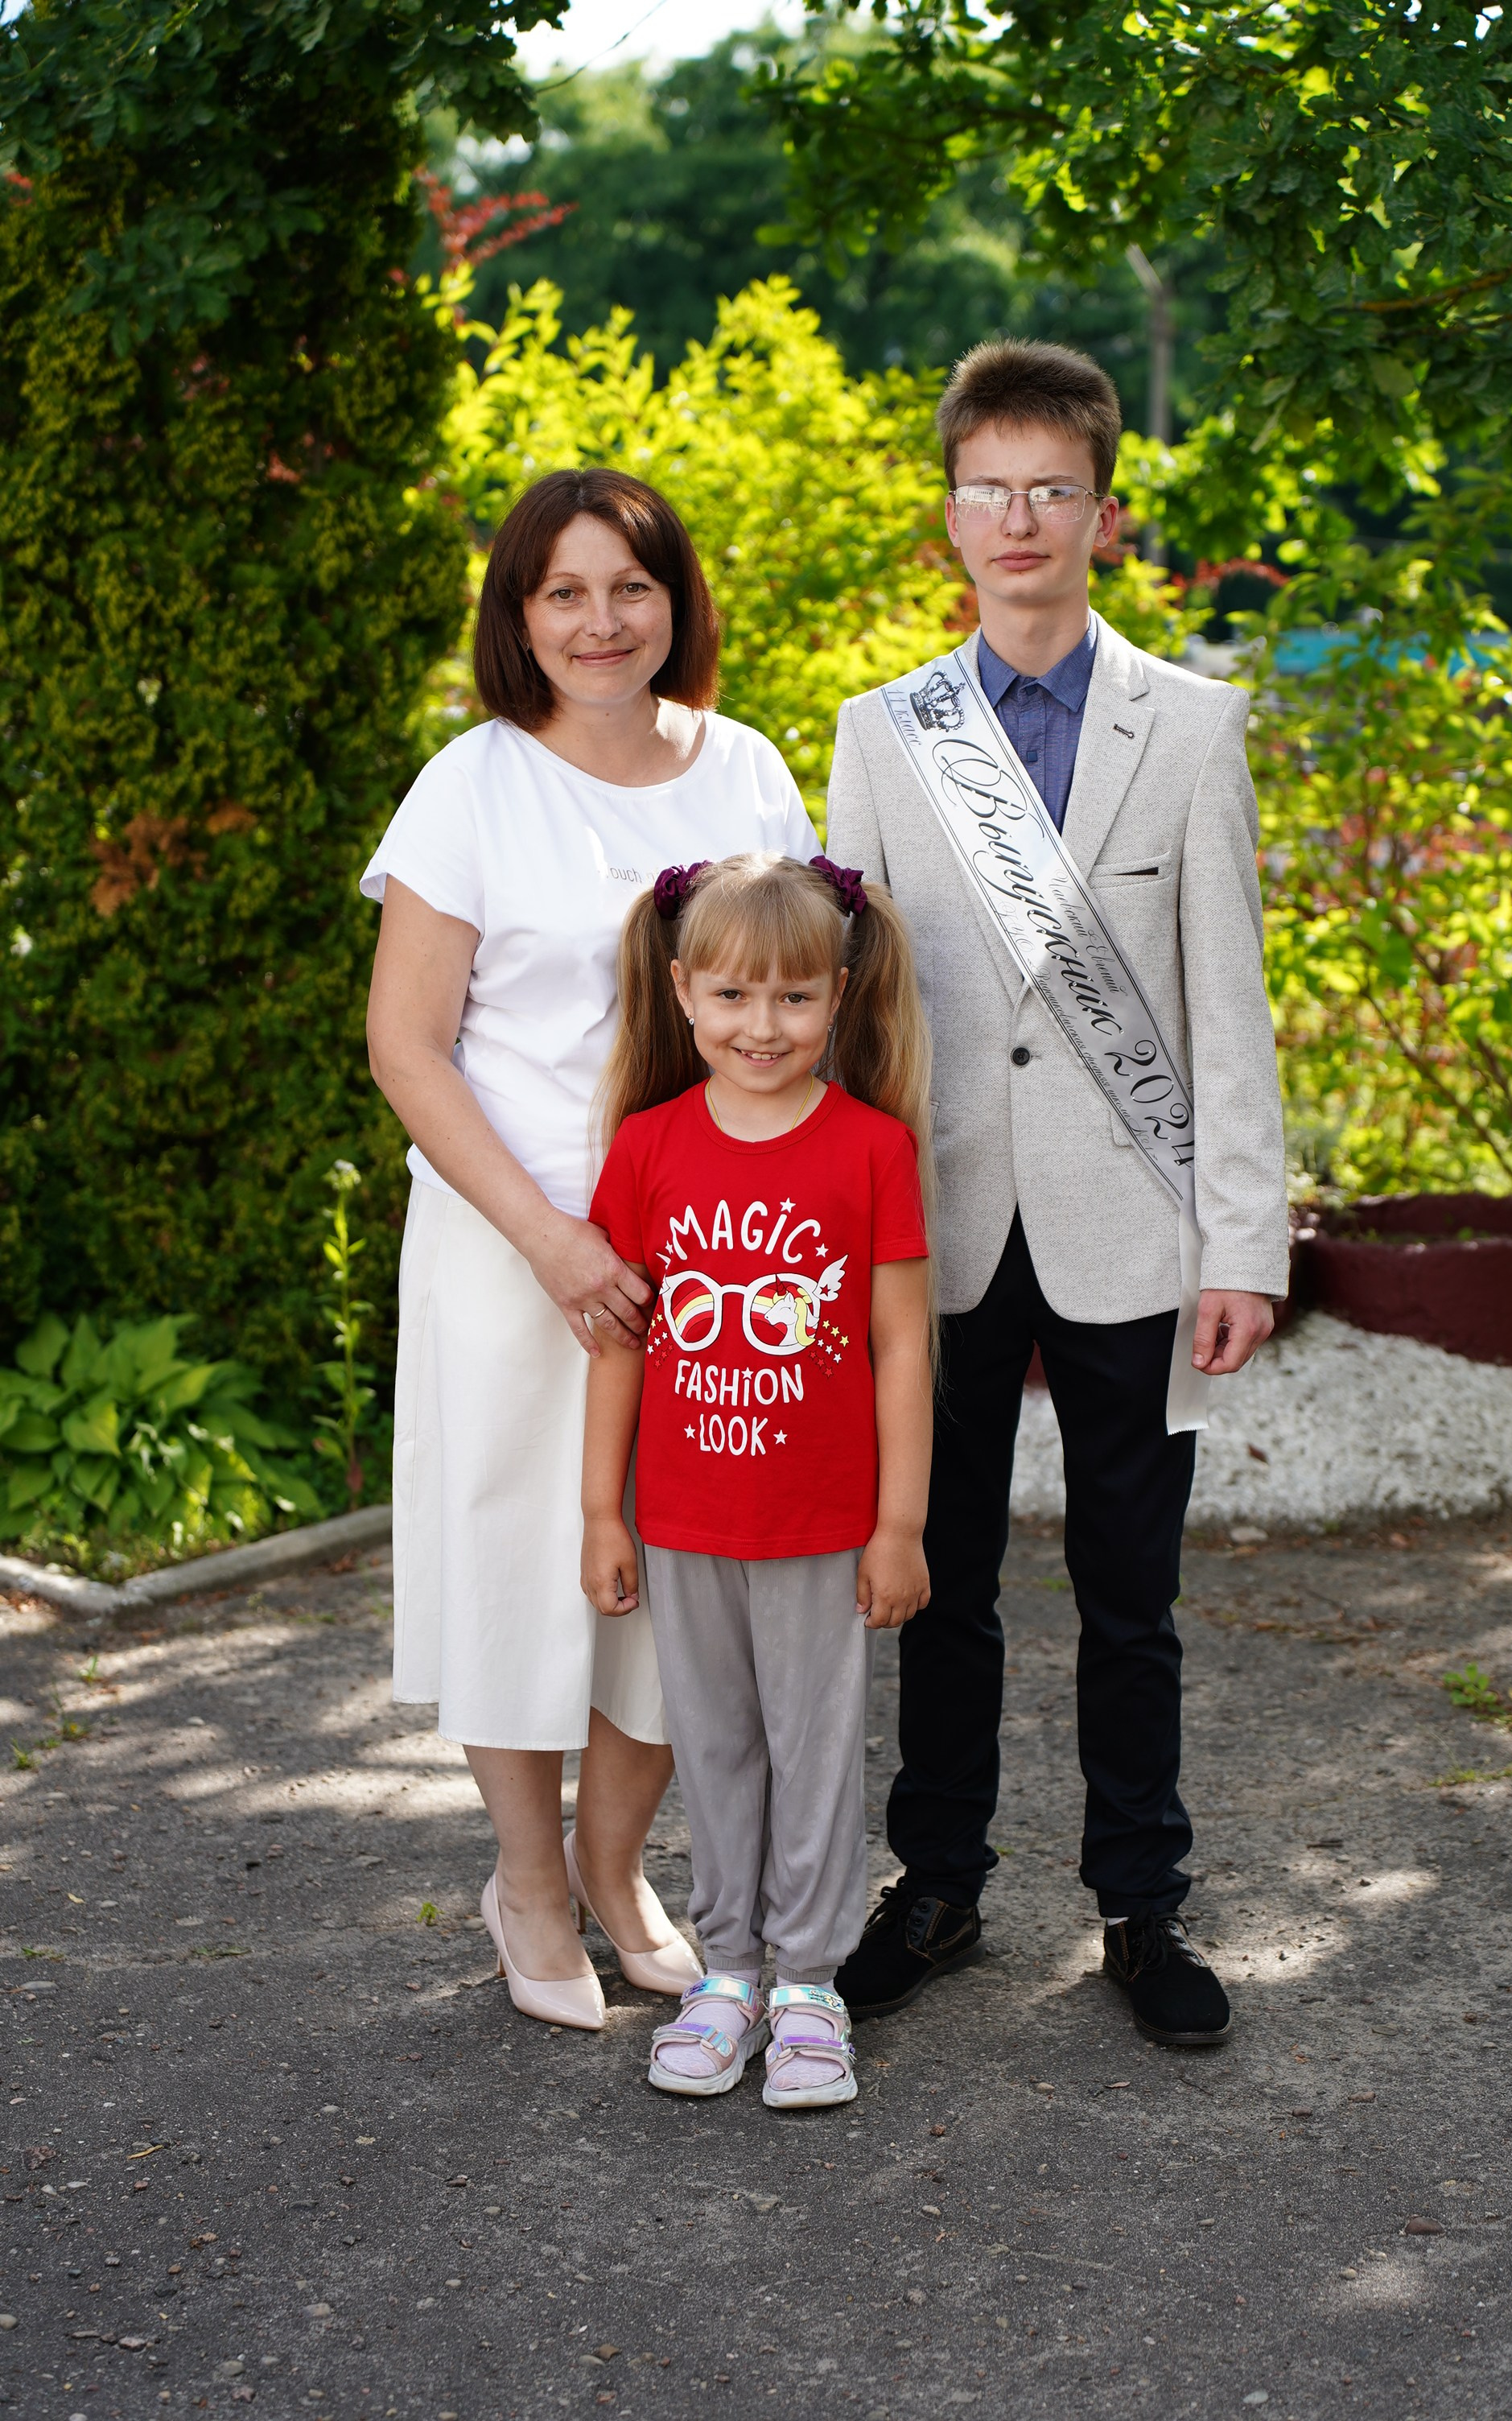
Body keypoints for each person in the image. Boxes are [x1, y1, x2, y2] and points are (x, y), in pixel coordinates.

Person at [826, 340, 1289, 2046]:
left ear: (1104, 510)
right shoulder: (884, 735)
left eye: (1051, 491)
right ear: (948, 513)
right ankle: (934, 1883)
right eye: (986, 490)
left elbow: (1227, 1007)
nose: (1017, 519)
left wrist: (1244, 1239)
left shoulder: (1195, 726)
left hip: (1134, 1222)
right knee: (934, 1575)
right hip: (928, 1231)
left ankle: (1141, 1905)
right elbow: (852, 1013)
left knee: (1129, 1592)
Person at [363, 469, 821, 2031]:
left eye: (627, 586)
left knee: (685, 1568)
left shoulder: (747, 770)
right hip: (515, 1246)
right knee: (523, 1564)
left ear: (674, 600)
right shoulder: (470, 786)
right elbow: (409, 1046)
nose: (599, 620)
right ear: (519, 614)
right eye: (562, 591)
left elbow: (793, 989)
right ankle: (529, 1882)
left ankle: (618, 1869)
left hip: (712, 1245)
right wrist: (555, 1240)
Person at [579, 852, 934, 2106]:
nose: (761, 1026)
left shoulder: (872, 1151)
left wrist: (900, 1524)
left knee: (816, 1748)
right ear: (682, 992)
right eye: (732, 997)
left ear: (837, 996)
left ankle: (810, 1987)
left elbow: (901, 1348)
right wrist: (598, 1514)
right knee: (717, 1745)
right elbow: (621, 1343)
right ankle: (726, 1967)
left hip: (824, 1527)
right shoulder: (647, 1148)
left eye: (792, 999)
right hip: (683, 1522)